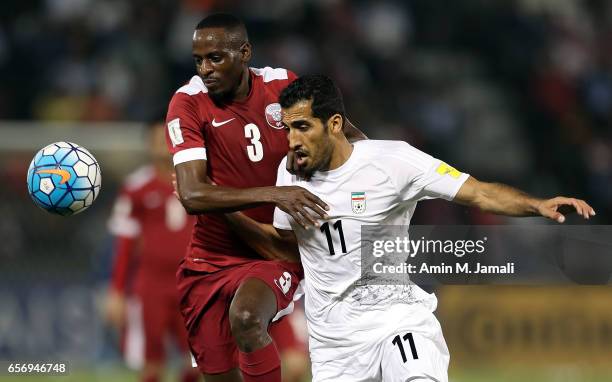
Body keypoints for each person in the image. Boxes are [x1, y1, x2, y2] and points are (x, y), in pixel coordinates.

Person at [223, 74, 597, 381]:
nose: (292, 141)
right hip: (335, 345)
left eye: (302, 127)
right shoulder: (288, 177)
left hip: (396, 322)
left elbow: (479, 193)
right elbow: (288, 249)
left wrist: (536, 204)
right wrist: (225, 212)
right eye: (288, 129)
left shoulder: (393, 161)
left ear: (334, 124)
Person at [165, 13, 365, 382]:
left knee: (246, 318)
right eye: (198, 60)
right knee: (220, 374)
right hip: (210, 257)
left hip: (275, 249)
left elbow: (349, 138)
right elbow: (192, 194)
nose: (205, 69)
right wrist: (275, 193)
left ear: (244, 53)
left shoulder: (282, 86)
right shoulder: (187, 103)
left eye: (215, 58)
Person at [105, 121, 200, 382]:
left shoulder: (199, 180)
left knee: (198, 362)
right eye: (157, 139)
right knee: (150, 364)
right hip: (151, 285)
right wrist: (117, 290)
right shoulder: (136, 188)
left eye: (167, 138)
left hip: (193, 284)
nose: (163, 145)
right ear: (148, 143)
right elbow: (124, 244)